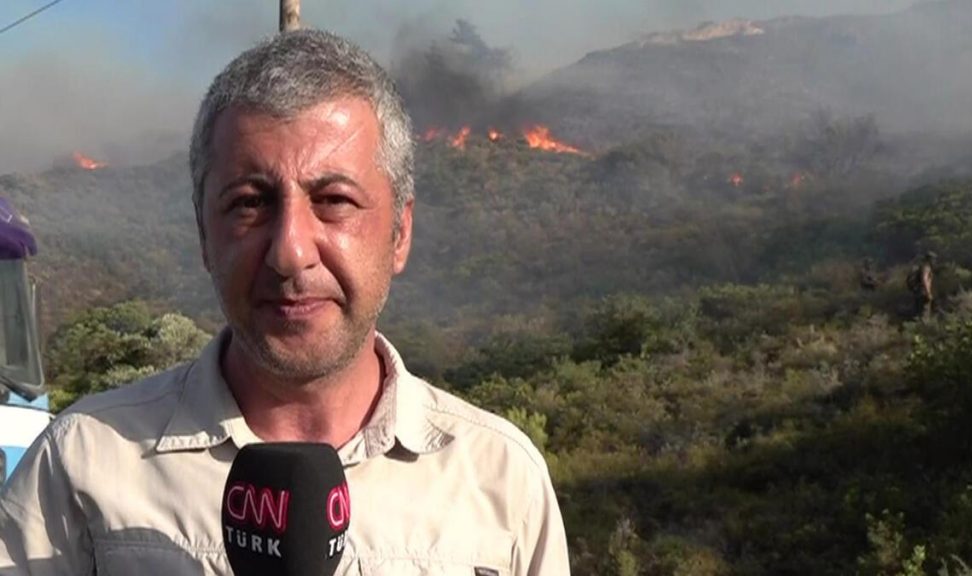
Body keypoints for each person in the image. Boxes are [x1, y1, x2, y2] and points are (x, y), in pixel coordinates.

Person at [0, 30, 570, 575]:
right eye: (250, 203)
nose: (290, 252)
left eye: (334, 200)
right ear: (204, 235)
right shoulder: (81, 463)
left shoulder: (501, 480)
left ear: (400, 233)